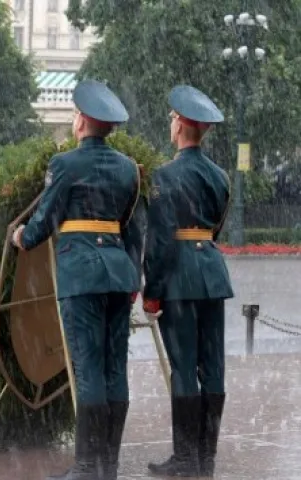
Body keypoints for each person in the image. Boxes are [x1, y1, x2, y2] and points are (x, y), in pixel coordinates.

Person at [12, 80, 143, 480]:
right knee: (114, 368)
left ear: (82, 121)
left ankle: (87, 467)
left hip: (82, 272)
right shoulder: (128, 168)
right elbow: (131, 227)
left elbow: (44, 222)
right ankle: (109, 465)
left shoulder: (65, 164)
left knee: (87, 369)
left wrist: (22, 236)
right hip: (118, 272)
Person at [143, 86, 233, 478]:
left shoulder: (164, 175)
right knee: (212, 367)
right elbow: (216, 229)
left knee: (183, 368)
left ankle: (184, 460)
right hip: (212, 275)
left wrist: (153, 291)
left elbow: (160, 239)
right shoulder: (220, 176)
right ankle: (205, 458)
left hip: (179, 277)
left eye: (171, 119)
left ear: (180, 125)